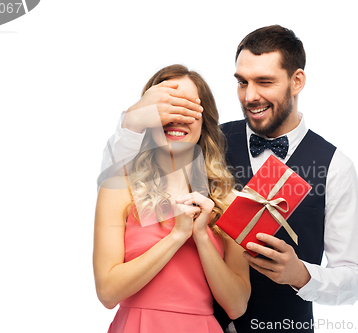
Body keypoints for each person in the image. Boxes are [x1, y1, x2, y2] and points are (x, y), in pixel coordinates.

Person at [101, 25, 358, 332]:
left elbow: (354, 278)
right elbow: (123, 177)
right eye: (242, 82)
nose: (250, 96)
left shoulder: (335, 166)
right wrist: (132, 121)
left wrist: (302, 275)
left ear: (297, 82)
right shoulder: (204, 142)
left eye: (264, 82)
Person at [93, 65, 251, 333]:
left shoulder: (229, 202)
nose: (176, 118)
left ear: (205, 122)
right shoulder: (118, 189)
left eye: (188, 109)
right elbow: (107, 293)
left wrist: (201, 236)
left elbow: (236, 305)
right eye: (166, 107)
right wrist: (177, 236)